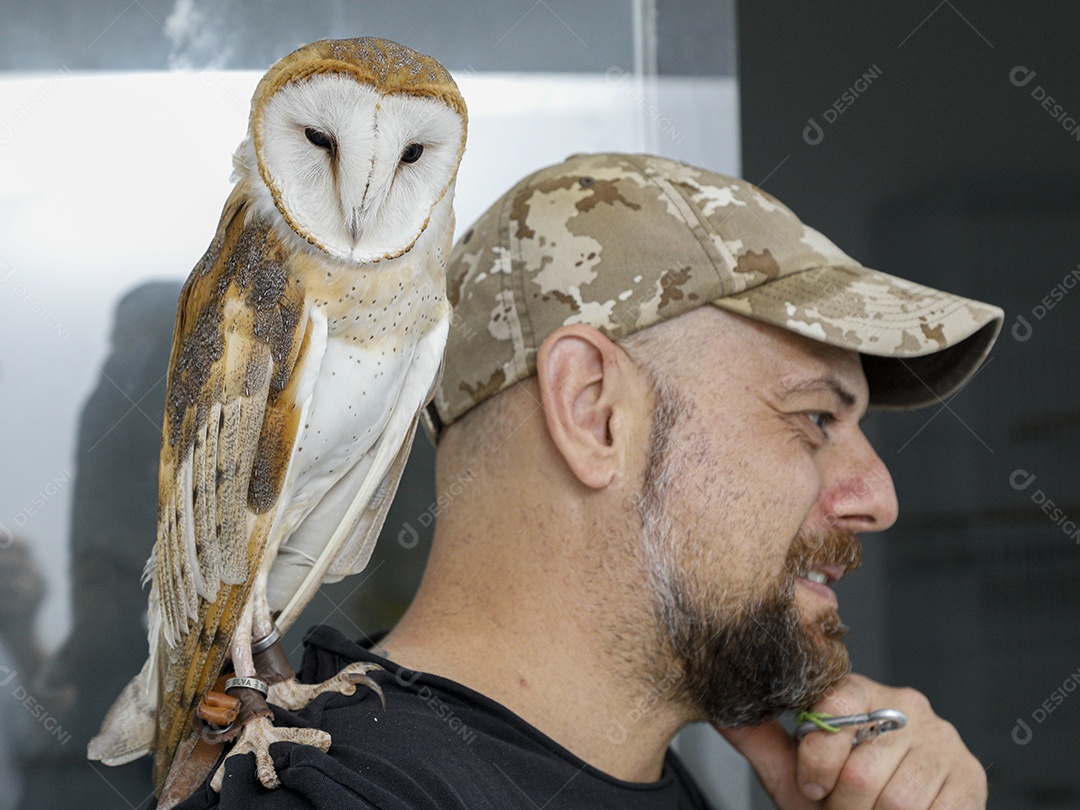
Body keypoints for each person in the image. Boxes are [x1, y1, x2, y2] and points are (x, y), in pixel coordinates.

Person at [178, 153, 1002, 809]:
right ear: (594, 411)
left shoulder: (651, 785)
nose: (879, 499)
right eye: (816, 418)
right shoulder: (324, 797)